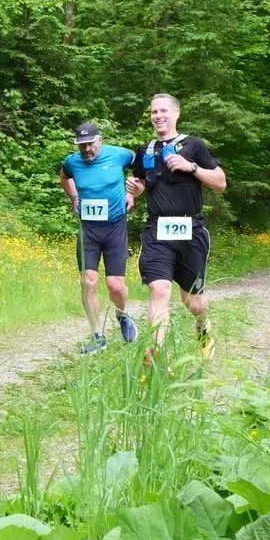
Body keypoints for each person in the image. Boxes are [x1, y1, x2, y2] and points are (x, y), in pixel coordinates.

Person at [125, 94, 226, 365]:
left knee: (193, 300)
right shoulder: (145, 149)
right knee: (159, 290)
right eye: (154, 111)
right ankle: (156, 354)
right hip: (157, 230)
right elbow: (140, 181)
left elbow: (220, 182)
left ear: (176, 114)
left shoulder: (194, 145)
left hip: (190, 231)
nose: (158, 116)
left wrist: (191, 167)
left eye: (164, 111)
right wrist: (135, 192)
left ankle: (203, 326)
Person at [59, 122, 139, 354]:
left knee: (115, 286)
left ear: (99, 140)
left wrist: (133, 192)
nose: (86, 150)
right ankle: (97, 336)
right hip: (89, 230)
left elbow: (141, 170)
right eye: (82, 146)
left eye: (90, 144)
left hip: (114, 228)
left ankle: (123, 314)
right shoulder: (72, 162)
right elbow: (64, 176)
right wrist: (73, 196)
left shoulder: (120, 155)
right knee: (88, 281)